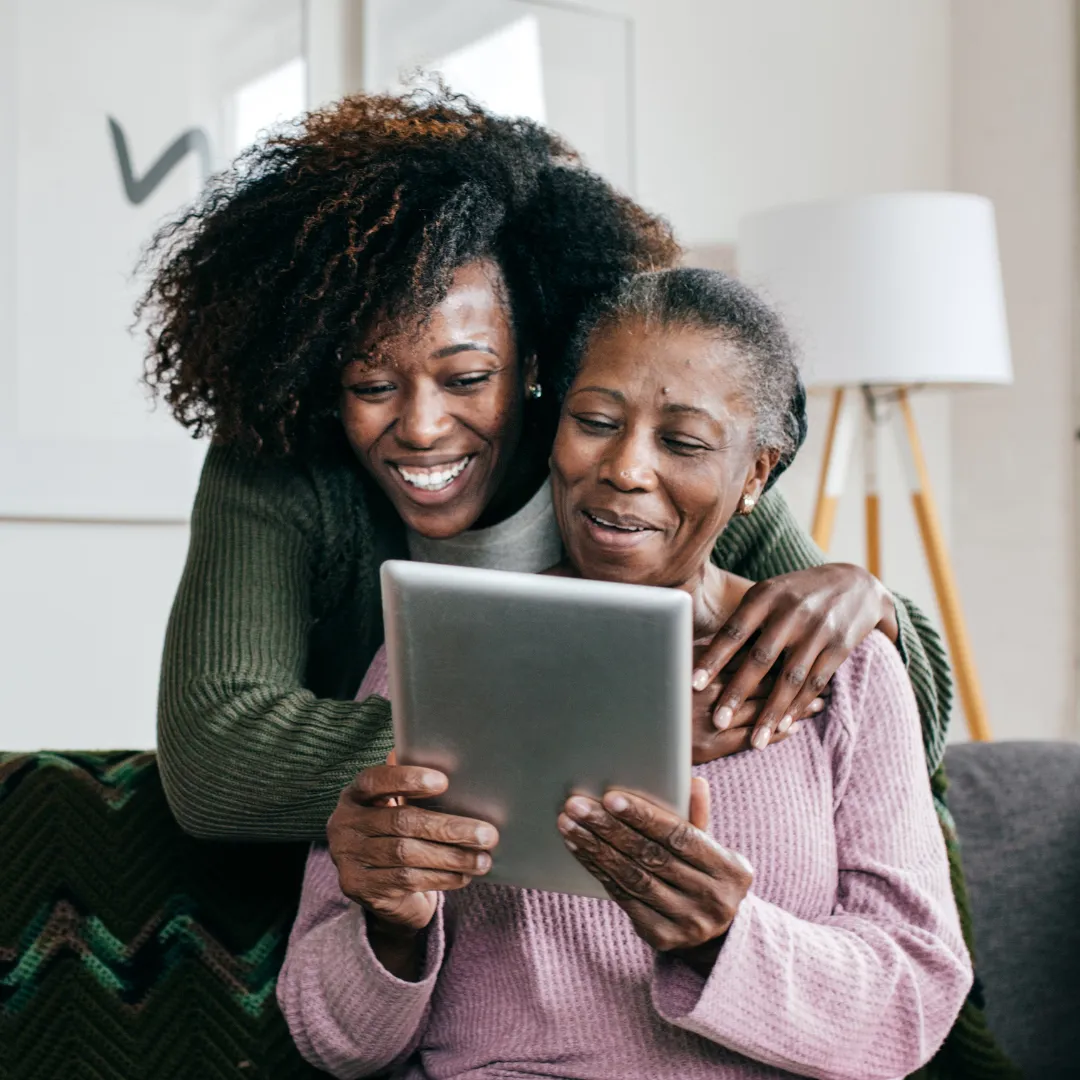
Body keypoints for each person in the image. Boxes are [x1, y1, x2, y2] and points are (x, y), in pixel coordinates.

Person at [139, 89, 950, 847]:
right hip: (391, 896)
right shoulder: (281, 456)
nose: (421, 427)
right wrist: (610, 725)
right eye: (373, 385)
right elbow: (217, 762)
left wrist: (871, 605)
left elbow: (908, 719)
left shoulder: (637, 460)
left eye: (467, 379)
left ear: (534, 362)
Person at [276, 268, 972, 1079]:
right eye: (596, 422)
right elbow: (331, 1039)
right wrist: (388, 925)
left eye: (681, 442)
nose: (625, 469)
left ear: (755, 474)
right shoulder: (436, 648)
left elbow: (913, 1004)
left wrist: (726, 938)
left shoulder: (847, 672)